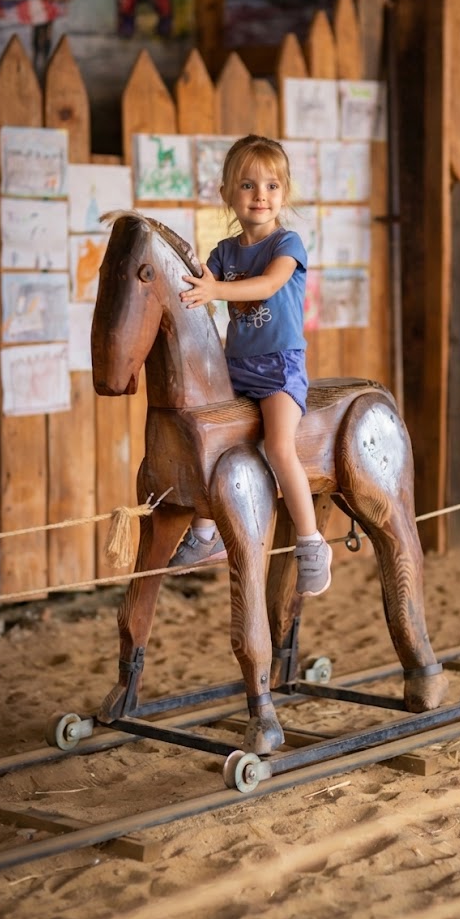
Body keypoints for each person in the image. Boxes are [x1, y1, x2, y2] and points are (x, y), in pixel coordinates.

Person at [168, 135, 333, 598]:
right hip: (235, 367)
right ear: (227, 194)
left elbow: (267, 285)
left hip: (280, 367)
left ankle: (311, 543)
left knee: (279, 448)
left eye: (271, 185)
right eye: (247, 185)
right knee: (213, 444)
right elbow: (201, 293)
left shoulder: (288, 243)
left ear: (284, 194)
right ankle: (205, 535)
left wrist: (215, 291)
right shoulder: (223, 253)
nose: (260, 195)